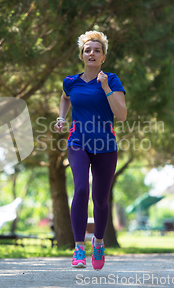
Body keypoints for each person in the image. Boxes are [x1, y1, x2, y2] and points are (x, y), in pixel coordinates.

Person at [54, 31, 127, 270]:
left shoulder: (112, 80)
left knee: (101, 199)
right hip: (78, 142)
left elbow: (122, 115)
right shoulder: (71, 82)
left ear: (103, 56)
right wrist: (61, 117)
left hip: (106, 145)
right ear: (82, 56)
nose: (92, 53)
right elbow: (65, 98)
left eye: (97, 50)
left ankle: (98, 242)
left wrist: (105, 87)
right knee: (81, 189)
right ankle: (78, 247)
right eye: (88, 50)